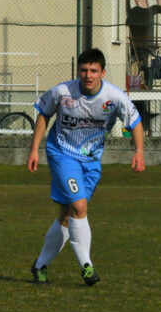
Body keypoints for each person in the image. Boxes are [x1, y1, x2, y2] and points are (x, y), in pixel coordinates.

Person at [27, 48, 145, 286]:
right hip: (61, 154)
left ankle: (39, 265)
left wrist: (139, 152)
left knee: (68, 215)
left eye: (93, 70)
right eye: (83, 70)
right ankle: (87, 267)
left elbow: (135, 122)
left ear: (102, 72)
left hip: (91, 162)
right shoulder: (62, 92)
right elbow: (43, 114)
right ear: (78, 71)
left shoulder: (114, 97)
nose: (88, 75)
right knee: (79, 207)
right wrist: (34, 150)